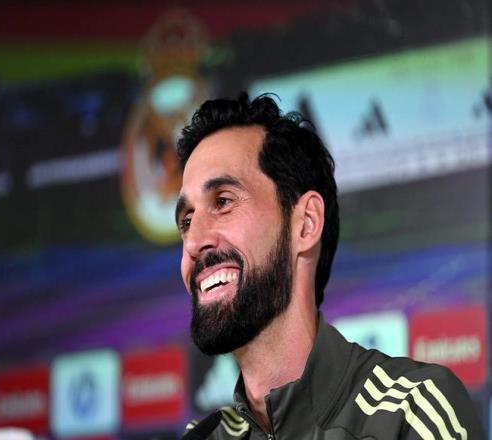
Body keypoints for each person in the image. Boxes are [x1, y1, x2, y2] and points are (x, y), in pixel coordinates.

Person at [175, 93, 484, 439]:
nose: (193, 242)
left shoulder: (412, 411)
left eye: (223, 201)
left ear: (306, 223)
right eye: (186, 221)